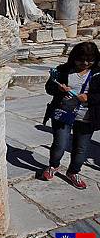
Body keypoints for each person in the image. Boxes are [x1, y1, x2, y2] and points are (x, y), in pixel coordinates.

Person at [42, 41, 100, 190]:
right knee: (59, 145)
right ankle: (53, 166)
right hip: (63, 113)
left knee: (81, 149)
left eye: (90, 60)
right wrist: (58, 89)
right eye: (81, 60)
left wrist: (89, 97)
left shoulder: (97, 73)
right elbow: (49, 88)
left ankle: (73, 172)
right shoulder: (63, 70)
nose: (85, 63)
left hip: (86, 117)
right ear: (74, 57)